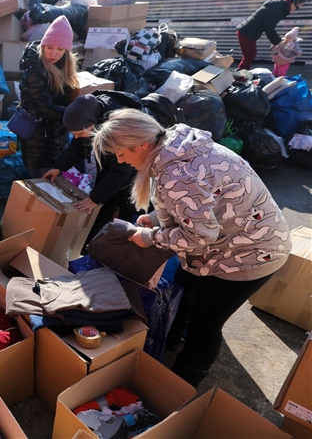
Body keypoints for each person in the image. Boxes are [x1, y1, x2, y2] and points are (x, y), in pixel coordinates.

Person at [92, 109, 290, 387]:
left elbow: (198, 236)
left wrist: (151, 237)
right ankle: (170, 340)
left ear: (143, 145)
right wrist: (158, 218)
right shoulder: (176, 144)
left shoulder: (176, 174)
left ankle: (180, 384)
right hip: (232, 240)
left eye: (121, 153)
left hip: (250, 254)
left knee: (205, 324)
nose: (120, 160)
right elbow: (199, 203)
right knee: (184, 287)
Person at [43, 93, 140, 249]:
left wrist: (94, 199)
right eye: (73, 134)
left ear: (92, 124)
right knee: (103, 205)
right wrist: (58, 167)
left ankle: (121, 247)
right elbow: (78, 147)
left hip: (133, 171)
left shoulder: (119, 129)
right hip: (111, 165)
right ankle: (91, 245)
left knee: (127, 209)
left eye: (79, 134)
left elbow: (120, 172)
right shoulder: (90, 117)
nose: (76, 138)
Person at [18, 15, 80, 177]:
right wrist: (76, 116)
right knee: (41, 179)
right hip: (37, 137)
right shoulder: (33, 70)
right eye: (49, 47)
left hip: (54, 135)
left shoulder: (63, 66)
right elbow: (45, 108)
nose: (54, 53)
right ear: (43, 46)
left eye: (60, 49)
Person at [236, 0, 305, 70]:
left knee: (250, 55)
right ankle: (241, 75)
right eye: (297, 7)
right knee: (249, 55)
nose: (296, 10)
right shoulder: (278, 9)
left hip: (248, 31)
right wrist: (278, 42)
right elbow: (269, 28)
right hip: (247, 32)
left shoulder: (280, 6)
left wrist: (277, 41)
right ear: (293, 3)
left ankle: (241, 73)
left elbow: (269, 27)